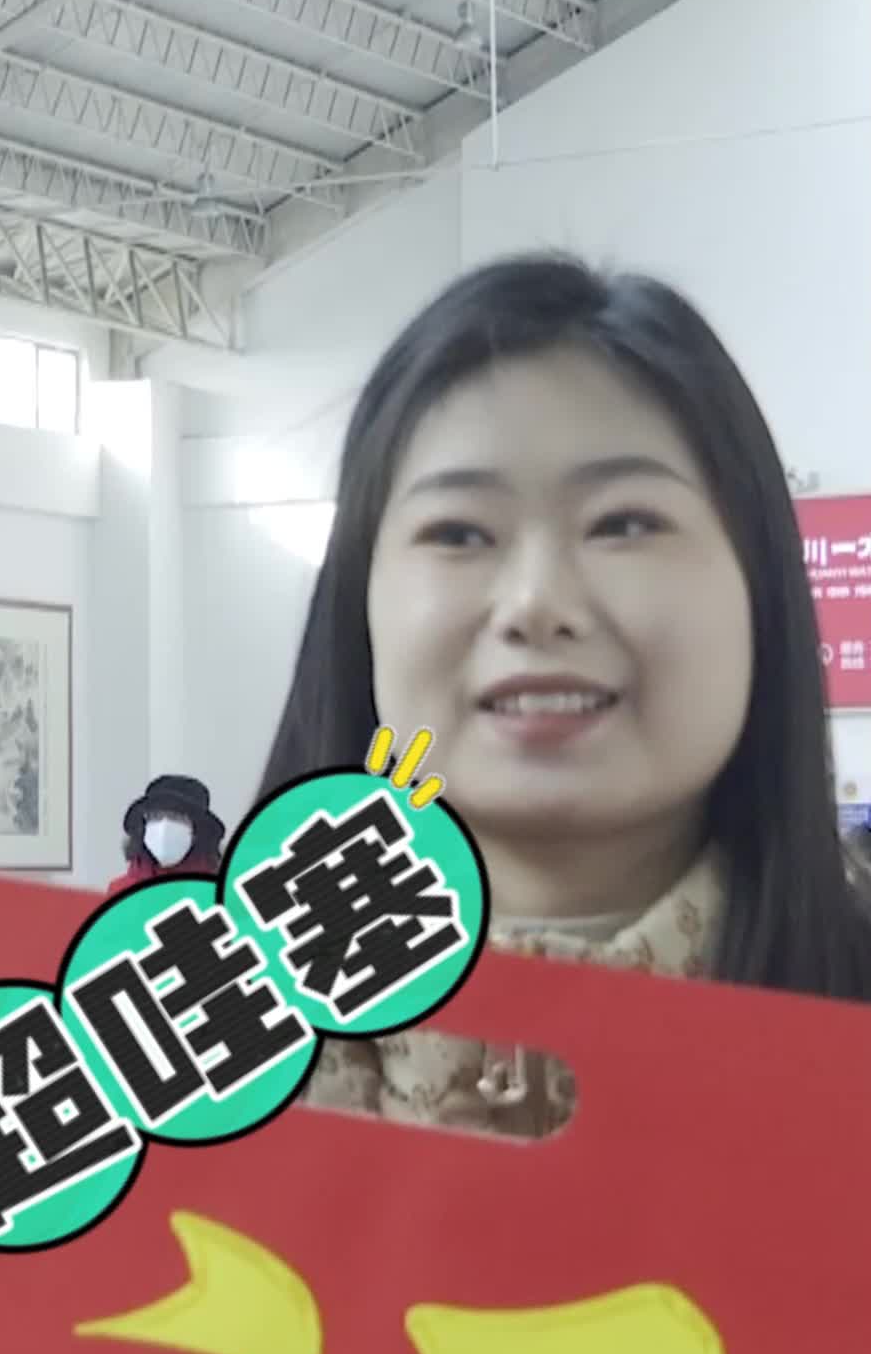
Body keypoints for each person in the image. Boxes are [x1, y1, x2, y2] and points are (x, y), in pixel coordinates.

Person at [258, 252, 871, 1139]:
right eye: (458, 532)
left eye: (624, 523)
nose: (537, 603)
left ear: (760, 589)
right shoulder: (179, 1074)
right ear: (359, 603)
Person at [106, 774, 225, 897]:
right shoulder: (120, 891)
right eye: (155, 816)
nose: (164, 826)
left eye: (177, 817)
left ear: (199, 831)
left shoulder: (219, 893)